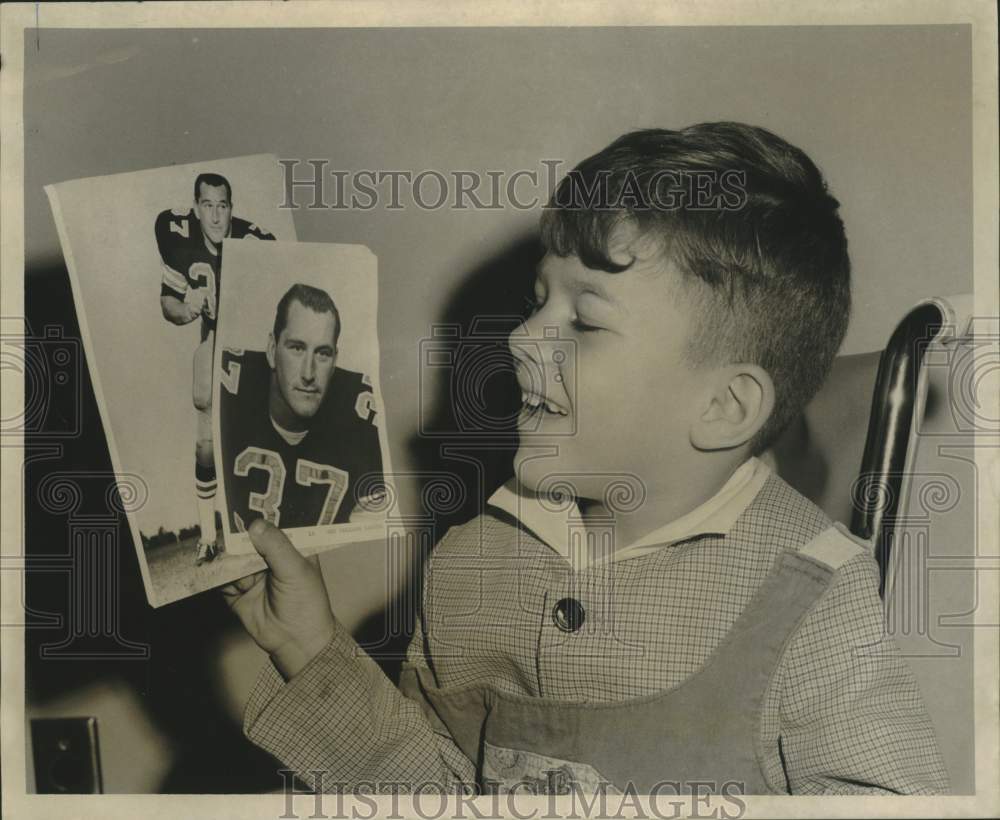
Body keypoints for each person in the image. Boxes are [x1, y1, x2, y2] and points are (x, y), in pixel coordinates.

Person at [223, 124, 950, 795]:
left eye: (583, 321)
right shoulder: (471, 561)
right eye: (537, 302)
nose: (520, 340)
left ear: (723, 407)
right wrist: (308, 643)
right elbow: (430, 792)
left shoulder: (815, 601)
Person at [155, 172, 275, 564]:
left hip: (255, 344)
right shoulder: (181, 246)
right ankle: (208, 534)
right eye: (207, 206)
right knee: (206, 436)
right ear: (196, 209)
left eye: (222, 206)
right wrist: (189, 306)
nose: (216, 216)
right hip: (213, 340)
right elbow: (168, 305)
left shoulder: (253, 241)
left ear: (231, 208)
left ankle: (267, 525)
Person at [218, 284, 384, 532]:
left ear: (335, 359)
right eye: (296, 348)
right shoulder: (230, 384)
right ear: (272, 351)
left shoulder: (364, 407)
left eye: (323, 354)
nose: (308, 373)